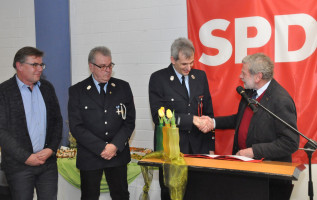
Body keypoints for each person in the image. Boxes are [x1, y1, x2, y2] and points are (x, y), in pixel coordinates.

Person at [212, 53, 299, 199]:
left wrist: (253, 151)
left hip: (269, 180)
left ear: (258, 77)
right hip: (247, 174)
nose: (240, 76)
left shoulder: (281, 100)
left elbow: (290, 142)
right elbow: (240, 119)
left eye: (244, 73)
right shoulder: (249, 93)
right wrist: (213, 122)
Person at [149, 37, 214, 200]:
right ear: (172, 60)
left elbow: (208, 112)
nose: (189, 67)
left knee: (199, 192)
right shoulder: (158, 79)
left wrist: (211, 146)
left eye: (191, 62)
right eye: (184, 64)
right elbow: (158, 116)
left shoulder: (200, 76)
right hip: (172, 150)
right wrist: (190, 119)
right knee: (171, 193)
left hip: (199, 148)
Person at [68, 46, 136, 200]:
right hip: (90, 155)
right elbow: (76, 126)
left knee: (121, 195)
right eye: (102, 66)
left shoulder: (122, 87)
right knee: (90, 196)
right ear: (91, 66)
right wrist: (101, 148)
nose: (108, 70)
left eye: (110, 65)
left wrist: (114, 146)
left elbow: (129, 121)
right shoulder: (77, 91)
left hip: (117, 154)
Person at [0, 46, 63, 200]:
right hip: (19, 166)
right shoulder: (4, 92)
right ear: (19, 66)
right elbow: (1, 131)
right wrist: (26, 157)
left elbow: (57, 121)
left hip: (47, 164)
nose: (39, 69)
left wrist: (51, 149)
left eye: (41, 65)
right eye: (34, 65)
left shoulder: (47, 88)